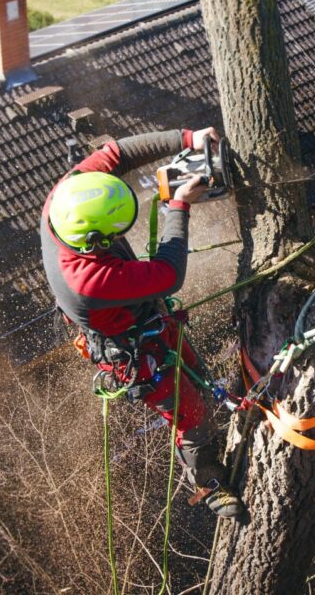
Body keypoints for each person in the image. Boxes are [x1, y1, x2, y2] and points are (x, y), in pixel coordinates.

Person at [41, 127, 244, 519]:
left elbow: (117, 153)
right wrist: (178, 207)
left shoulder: (68, 196)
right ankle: (210, 484)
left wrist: (187, 138)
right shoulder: (88, 281)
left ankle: (215, 419)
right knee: (191, 414)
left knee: (197, 376)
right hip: (133, 350)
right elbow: (169, 272)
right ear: (96, 240)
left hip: (149, 317)